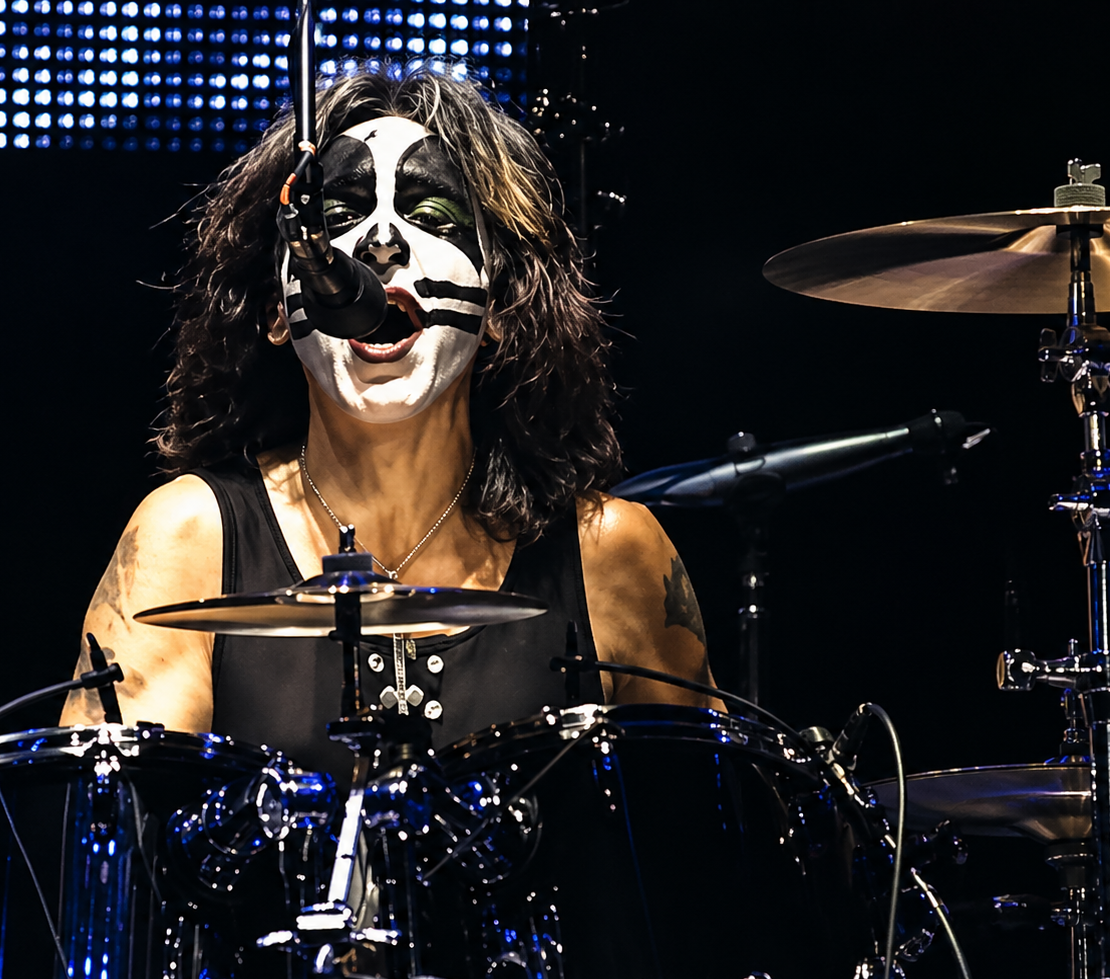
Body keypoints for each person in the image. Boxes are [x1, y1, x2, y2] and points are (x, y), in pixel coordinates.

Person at [62, 67, 719, 779]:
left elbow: (703, 823)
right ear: (276, 310)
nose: (380, 242)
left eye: (433, 215)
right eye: (336, 218)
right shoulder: (189, 538)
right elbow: (106, 827)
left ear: (501, 304)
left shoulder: (608, 552)